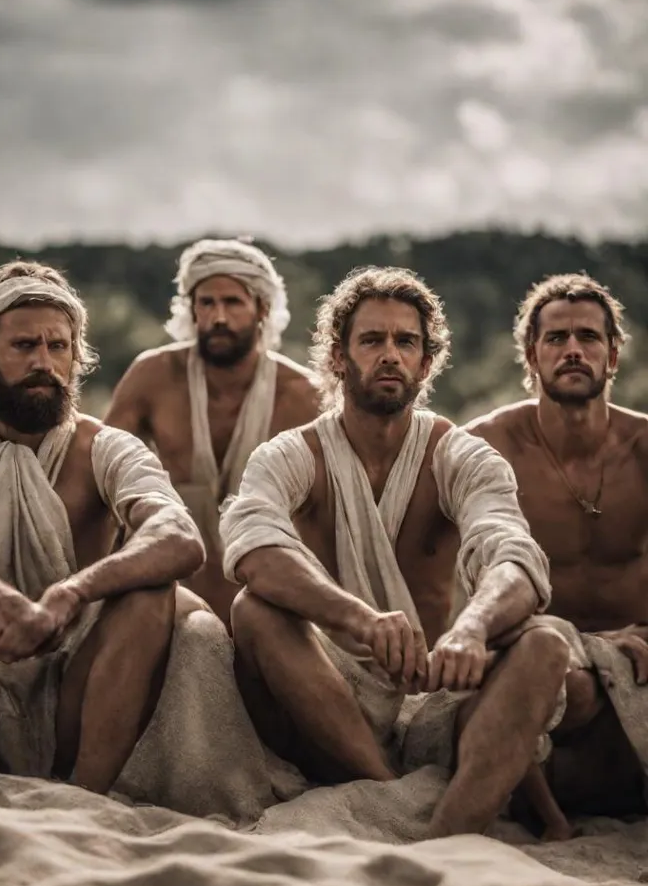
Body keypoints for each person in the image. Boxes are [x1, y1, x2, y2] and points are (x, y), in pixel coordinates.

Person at [220, 266, 570, 838]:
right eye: (372, 340)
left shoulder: (460, 455)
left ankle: (448, 831)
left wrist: (472, 629)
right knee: (252, 609)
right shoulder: (292, 454)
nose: (390, 355)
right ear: (338, 356)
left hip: (440, 692)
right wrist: (359, 619)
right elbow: (252, 541)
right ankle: (388, 791)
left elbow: (513, 553)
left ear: (426, 362)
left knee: (546, 641)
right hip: (331, 696)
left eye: (406, 342)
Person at [0, 259, 270, 820]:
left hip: (76, 685)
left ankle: (85, 802)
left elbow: (178, 534)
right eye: (24, 346)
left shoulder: (105, 447)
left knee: (152, 592)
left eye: (59, 346)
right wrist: (7, 605)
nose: (45, 363)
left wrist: (69, 594)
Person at [468, 272, 648, 824]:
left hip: (640, 657)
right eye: (556, 338)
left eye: (589, 338)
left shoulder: (645, 448)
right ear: (531, 355)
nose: (574, 350)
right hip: (536, 659)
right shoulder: (486, 445)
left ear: (613, 354)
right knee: (571, 690)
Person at [105, 239, 319, 625]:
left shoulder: (304, 394)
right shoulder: (152, 376)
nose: (218, 317)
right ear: (192, 309)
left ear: (262, 309)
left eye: (233, 302)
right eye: (206, 302)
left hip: (272, 601)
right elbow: (101, 475)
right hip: (172, 595)